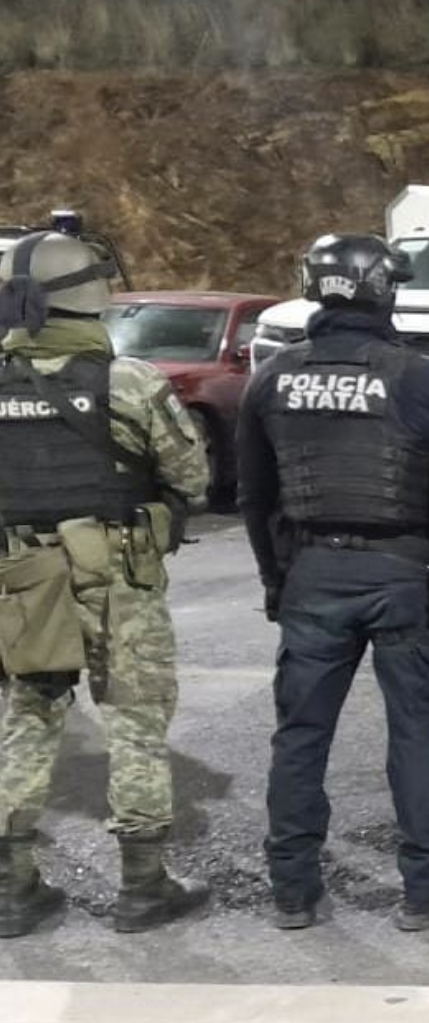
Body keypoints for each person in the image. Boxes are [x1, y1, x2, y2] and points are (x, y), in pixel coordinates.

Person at [238, 234, 429, 932]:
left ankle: (293, 892)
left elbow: (254, 497)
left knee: (300, 737)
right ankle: (427, 891)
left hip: (312, 574)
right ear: (382, 290)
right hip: (402, 572)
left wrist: (275, 580)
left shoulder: (273, 377)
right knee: (416, 734)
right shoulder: (419, 376)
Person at [0, 231, 209, 936]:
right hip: (118, 575)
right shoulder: (130, 382)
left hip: (24, 580)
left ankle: (11, 890)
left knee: (27, 718)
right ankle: (143, 888)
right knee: (134, 721)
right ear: (88, 296)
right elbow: (192, 477)